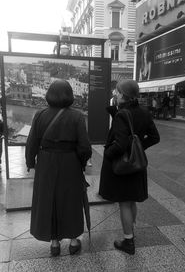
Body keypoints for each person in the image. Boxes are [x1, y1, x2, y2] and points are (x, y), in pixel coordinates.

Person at [25, 80, 92, 256]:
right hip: (70, 162)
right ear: (70, 95)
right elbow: (85, 147)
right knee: (71, 201)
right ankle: (73, 241)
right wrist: (82, 163)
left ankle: (54, 243)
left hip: (46, 163)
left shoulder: (40, 115)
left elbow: (31, 143)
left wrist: (31, 163)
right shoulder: (77, 116)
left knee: (49, 200)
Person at [99, 79, 160, 255]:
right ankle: (131, 233)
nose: (114, 94)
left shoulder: (122, 115)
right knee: (131, 200)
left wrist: (108, 154)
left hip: (122, 167)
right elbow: (155, 137)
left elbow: (120, 143)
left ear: (123, 95)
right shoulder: (143, 112)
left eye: (117, 92)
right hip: (136, 165)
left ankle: (128, 241)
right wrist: (139, 148)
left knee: (124, 203)